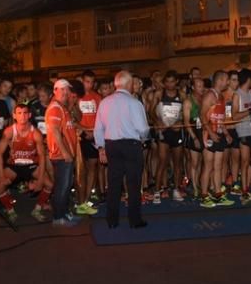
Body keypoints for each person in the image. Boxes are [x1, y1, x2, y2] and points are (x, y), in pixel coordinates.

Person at [94, 71, 151, 228]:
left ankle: (112, 220)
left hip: (111, 145)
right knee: (133, 184)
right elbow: (143, 128)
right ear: (128, 84)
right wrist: (144, 139)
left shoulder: (105, 102)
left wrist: (101, 147)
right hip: (131, 145)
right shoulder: (134, 103)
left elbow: (98, 128)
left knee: (114, 184)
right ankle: (135, 220)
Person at [0, 103, 51, 223]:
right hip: (14, 166)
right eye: (19, 113)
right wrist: (1, 175)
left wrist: (40, 180)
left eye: (25, 113)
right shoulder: (9, 131)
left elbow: (41, 156)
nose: (22, 116)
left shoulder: (36, 133)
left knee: (49, 184)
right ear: (14, 115)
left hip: (31, 166)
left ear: (29, 115)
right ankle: (10, 211)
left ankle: (37, 209)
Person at [46, 80, 82, 227]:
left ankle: (64, 214)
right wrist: (65, 152)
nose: (66, 92)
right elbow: (55, 131)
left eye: (67, 90)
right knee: (62, 186)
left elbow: (65, 128)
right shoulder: (55, 107)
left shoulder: (62, 107)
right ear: (55, 91)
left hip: (66, 153)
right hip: (61, 155)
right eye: (62, 90)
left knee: (66, 186)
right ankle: (58, 217)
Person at [200, 71, 234, 207]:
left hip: (219, 133)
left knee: (218, 166)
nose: (228, 82)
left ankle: (218, 194)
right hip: (209, 135)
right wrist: (211, 133)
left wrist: (226, 133)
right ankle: (203, 196)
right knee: (208, 166)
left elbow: (221, 119)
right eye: (227, 80)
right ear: (220, 80)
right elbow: (202, 116)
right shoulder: (210, 95)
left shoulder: (221, 96)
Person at [154, 71, 186, 201]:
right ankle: (157, 190)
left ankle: (177, 189)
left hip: (176, 131)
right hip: (163, 131)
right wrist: (158, 122)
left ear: (176, 81)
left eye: (172, 81)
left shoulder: (182, 95)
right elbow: (151, 111)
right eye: (167, 82)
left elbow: (186, 111)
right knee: (162, 161)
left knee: (177, 163)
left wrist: (181, 121)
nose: (169, 84)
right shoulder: (159, 94)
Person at [232, 69, 251, 200]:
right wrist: (250, 111)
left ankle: (247, 188)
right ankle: (243, 190)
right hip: (243, 131)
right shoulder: (237, 95)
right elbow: (234, 116)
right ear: (248, 79)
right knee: (245, 161)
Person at [77, 70, 103, 208]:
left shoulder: (97, 97)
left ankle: (86, 199)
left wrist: (94, 132)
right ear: (82, 81)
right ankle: (80, 199)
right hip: (80, 135)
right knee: (81, 169)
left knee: (93, 165)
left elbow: (100, 116)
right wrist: (83, 129)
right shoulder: (76, 97)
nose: (90, 85)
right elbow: (73, 117)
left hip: (93, 135)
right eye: (87, 81)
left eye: (92, 82)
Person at [182, 77, 207, 196]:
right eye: (199, 86)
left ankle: (199, 185)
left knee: (203, 161)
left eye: (203, 85)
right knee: (194, 162)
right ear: (193, 87)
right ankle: (195, 187)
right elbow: (186, 122)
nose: (202, 88)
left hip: (204, 131)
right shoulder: (188, 101)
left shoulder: (205, 98)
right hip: (193, 133)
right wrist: (195, 138)